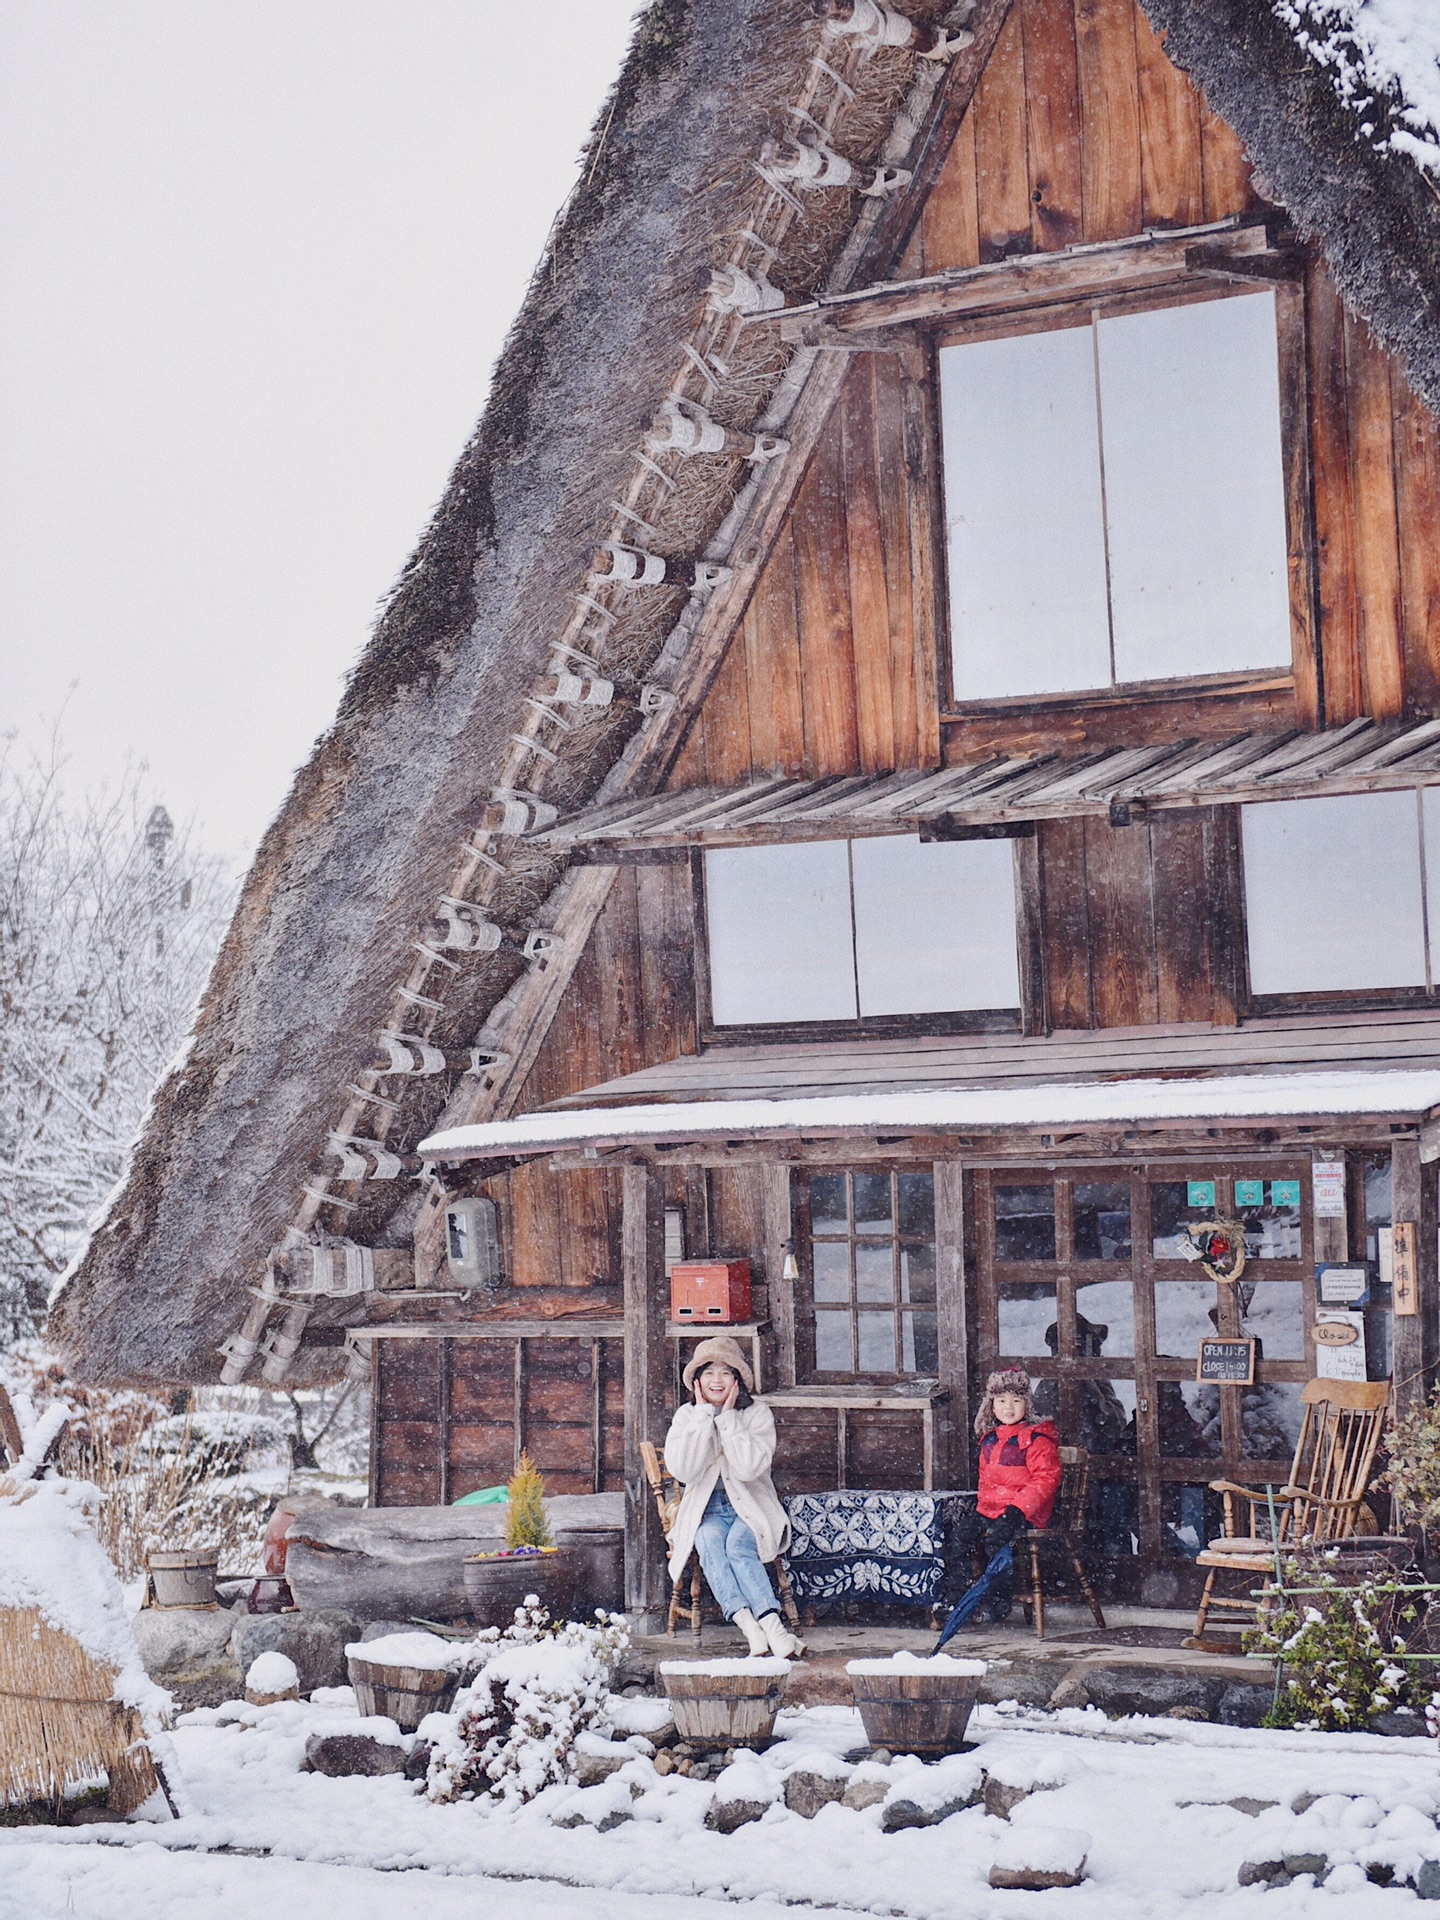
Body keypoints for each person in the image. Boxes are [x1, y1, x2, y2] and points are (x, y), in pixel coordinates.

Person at [663, 1335, 803, 1659]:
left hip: (751, 1508)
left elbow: (748, 1468)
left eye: (726, 1373)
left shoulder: (757, 1415)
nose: (716, 1380)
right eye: (709, 1372)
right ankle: (750, 1628)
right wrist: (702, 1417)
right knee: (711, 1543)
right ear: (697, 1380)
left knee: (738, 1546)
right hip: (706, 1511)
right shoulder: (686, 1417)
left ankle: (774, 1628)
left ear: (737, 1380)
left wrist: (727, 1421)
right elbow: (685, 1470)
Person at [935, 1368, 1062, 1645]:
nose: (1008, 1407)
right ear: (991, 1405)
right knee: (961, 1537)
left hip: (1023, 1511)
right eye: (1001, 1401)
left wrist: (1017, 1510)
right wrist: (983, 1510)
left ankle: (999, 1597)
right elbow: (988, 1483)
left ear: (1027, 1404)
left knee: (997, 1543)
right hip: (990, 1509)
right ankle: (957, 1597)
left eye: (1016, 1401)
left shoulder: (1037, 1440)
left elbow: (1045, 1479)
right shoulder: (990, 1439)